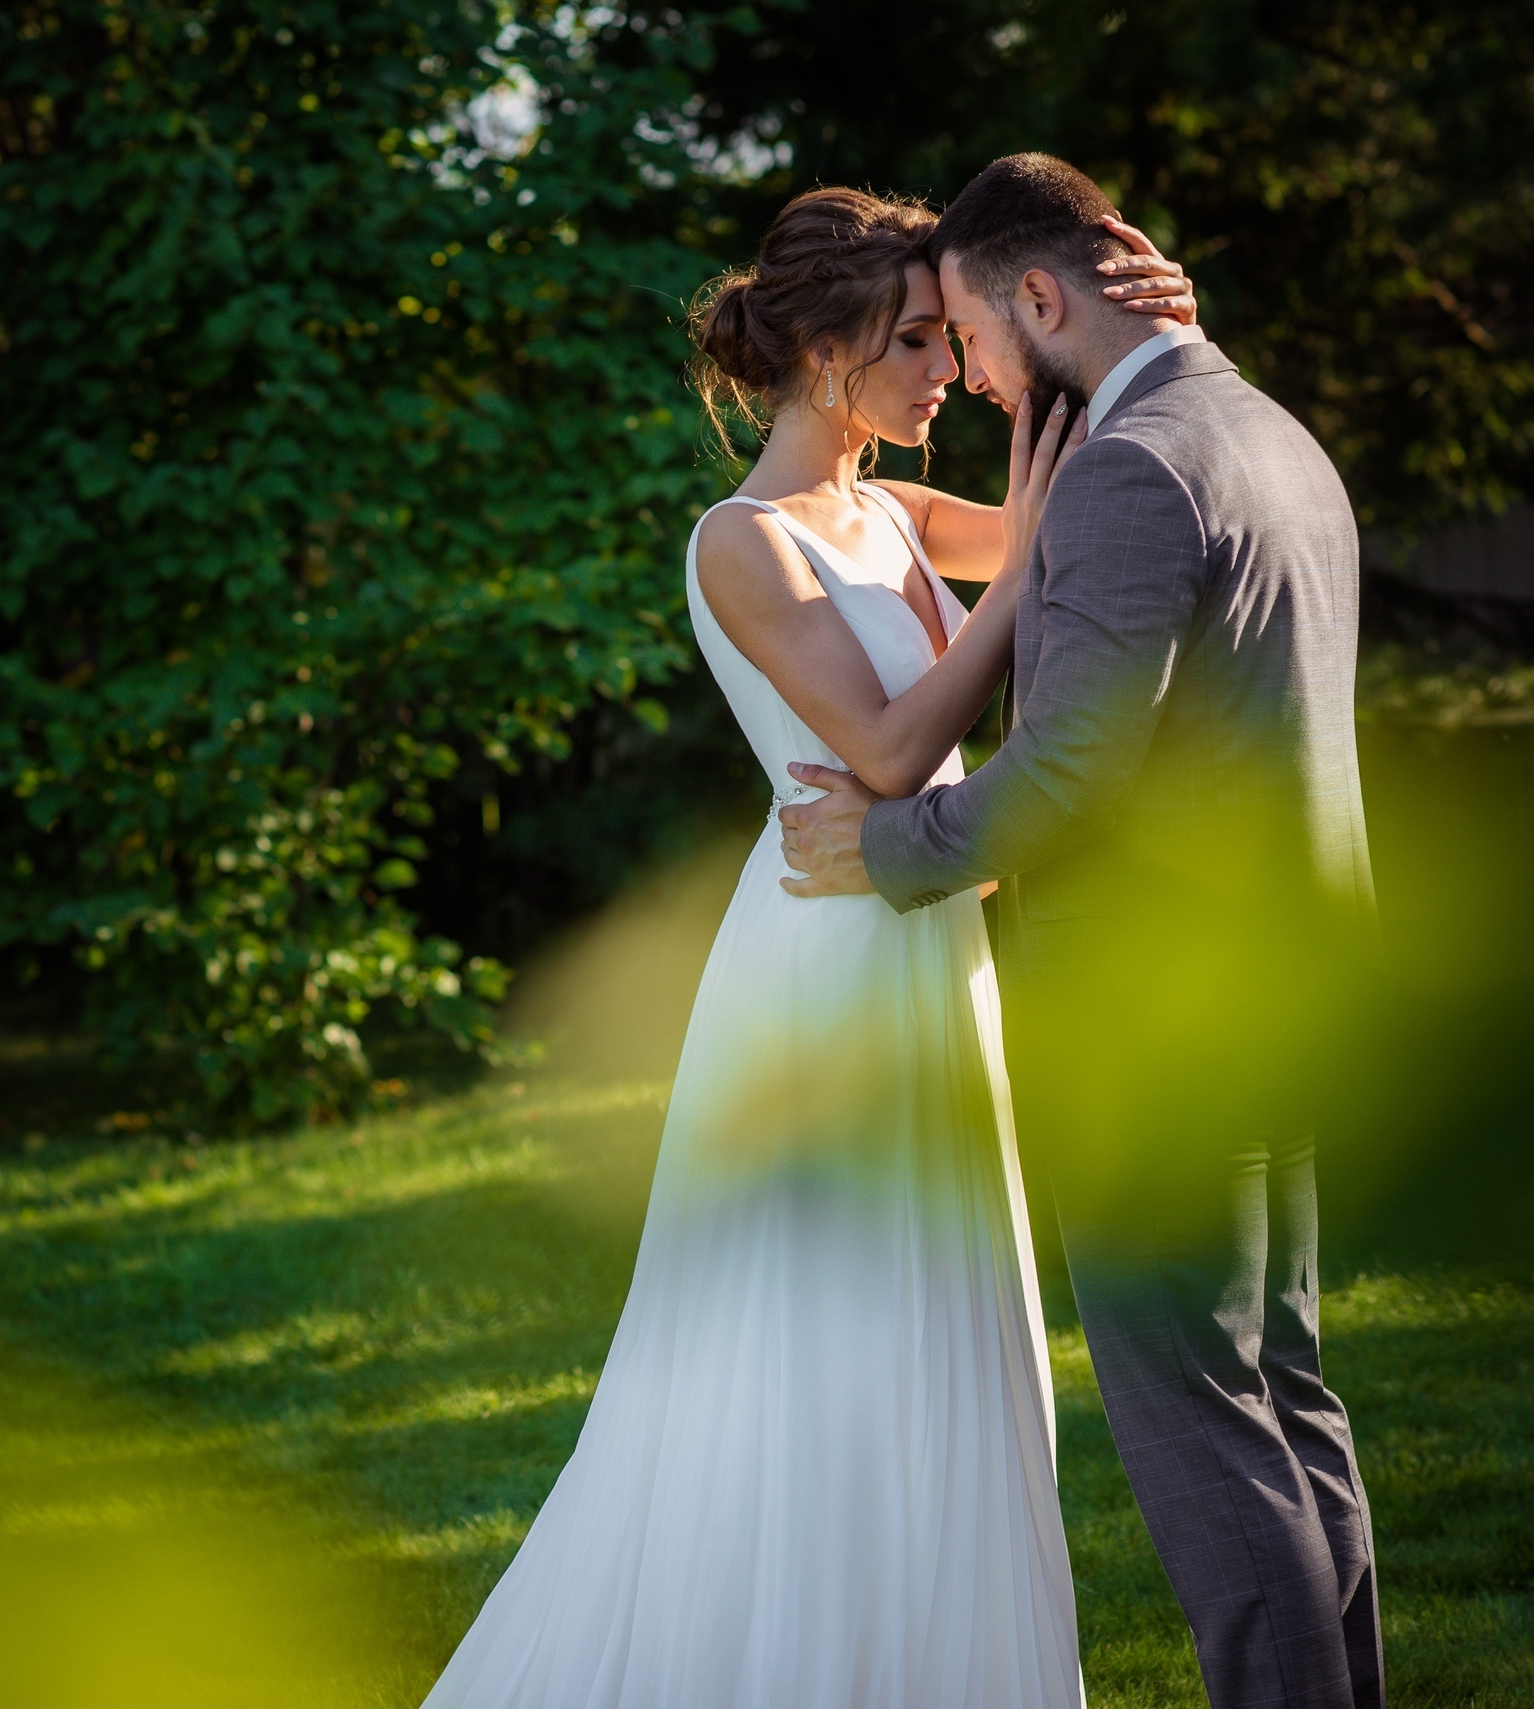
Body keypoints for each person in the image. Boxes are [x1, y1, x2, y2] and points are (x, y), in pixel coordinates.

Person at [420, 182, 1196, 1708]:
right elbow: (898, 749)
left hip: (929, 958)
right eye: (915, 339)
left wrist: (1160, 335)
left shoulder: (894, 512)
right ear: (829, 346)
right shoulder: (744, 543)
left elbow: (1094, 513)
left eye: (945, 334)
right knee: (815, 1353)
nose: (948, 370)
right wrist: (1025, 562)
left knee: (938, 1341)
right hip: (822, 978)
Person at [779, 155, 1383, 1709]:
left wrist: (884, 847)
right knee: (1282, 1395)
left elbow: (1065, 773)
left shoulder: (1132, 468)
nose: (972, 378)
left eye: (973, 336)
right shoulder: (1263, 428)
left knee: (1202, 1423)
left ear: (1045, 298)